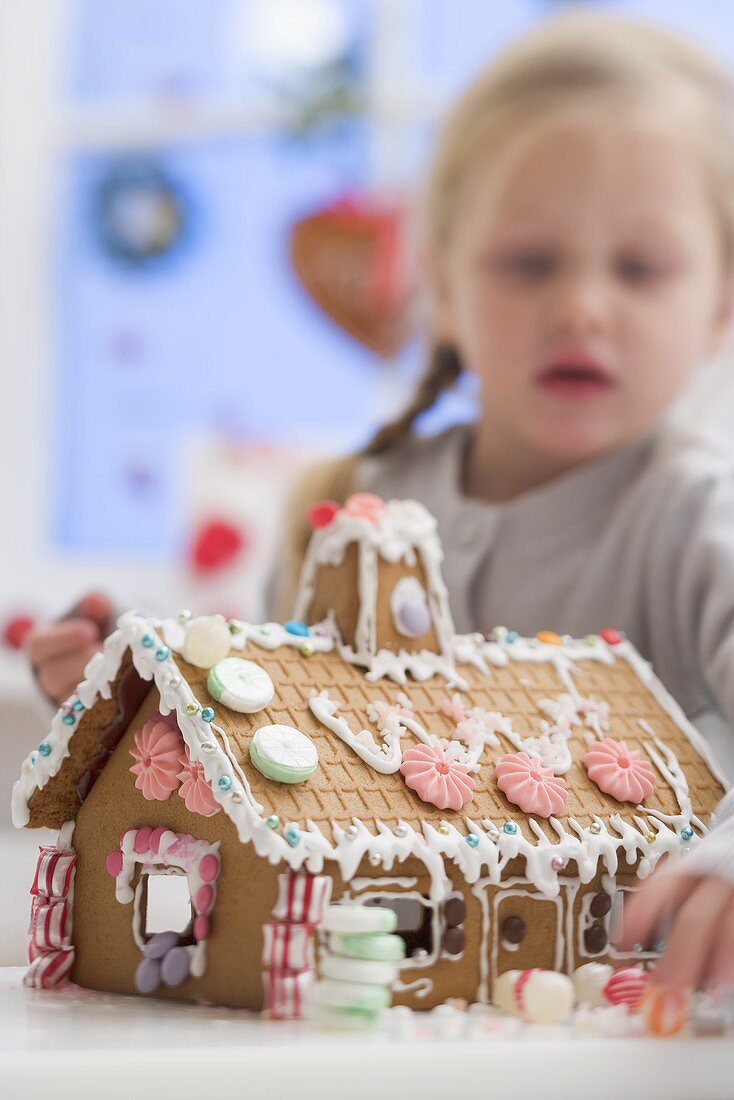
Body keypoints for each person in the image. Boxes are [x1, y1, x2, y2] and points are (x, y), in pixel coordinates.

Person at [26, 12, 734, 995]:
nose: (581, 306)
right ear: (440, 278)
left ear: (718, 304)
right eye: (529, 262)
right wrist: (132, 707)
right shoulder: (354, 505)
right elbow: (264, 747)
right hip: (352, 1017)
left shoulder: (699, 520)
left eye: (638, 268)